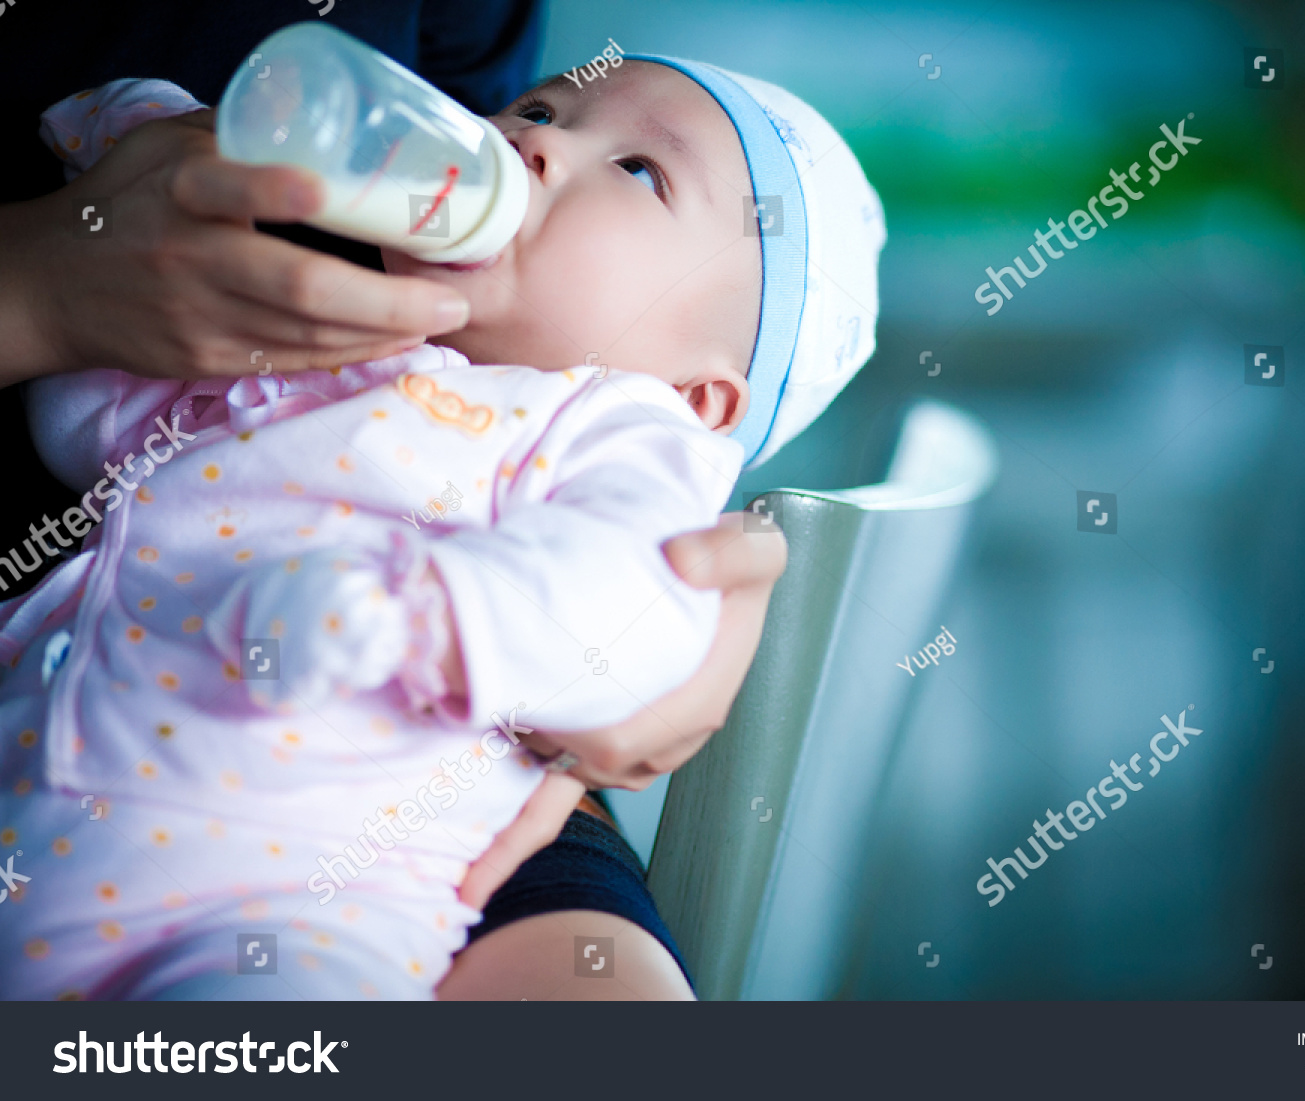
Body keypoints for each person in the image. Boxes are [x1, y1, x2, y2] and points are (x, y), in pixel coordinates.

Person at [0, 52, 883, 998]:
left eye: (639, 170)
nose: (534, 141)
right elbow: (88, 425)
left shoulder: (619, 431)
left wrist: (422, 613)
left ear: (699, 396)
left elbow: (631, 598)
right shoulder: (322, 331)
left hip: (282, 910)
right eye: (541, 107)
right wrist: (128, 178)